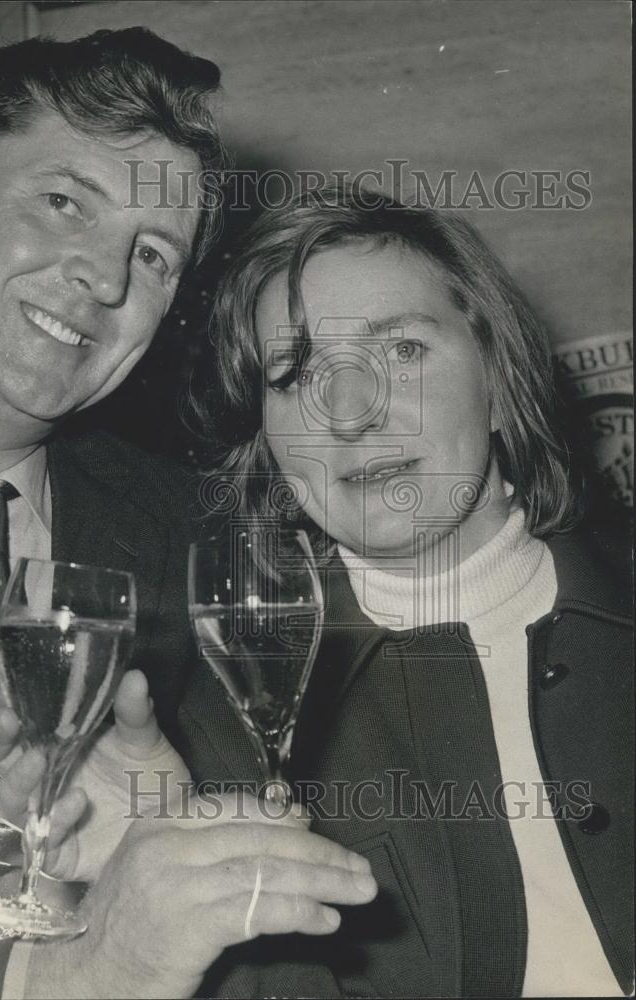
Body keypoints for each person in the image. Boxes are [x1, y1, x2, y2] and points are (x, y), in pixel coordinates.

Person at [0, 35, 376, 1000]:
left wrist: (166, 845)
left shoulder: (217, 554)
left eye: (152, 253)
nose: (103, 279)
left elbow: (310, 962)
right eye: (62, 203)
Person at [179, 185, 634, 997]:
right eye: (295, 373)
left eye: (401, 352)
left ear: (498, 379)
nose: (350, 413)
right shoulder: (220, 734)